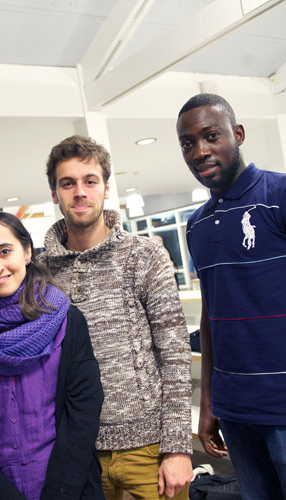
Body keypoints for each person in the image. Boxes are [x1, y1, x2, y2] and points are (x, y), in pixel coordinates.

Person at [39, 135, 193, 500]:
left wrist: (178, 447)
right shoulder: (40, 271)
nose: (80, 192)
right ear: (54, 194)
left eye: (90, 181)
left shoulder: (144, 256)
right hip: (76, 450)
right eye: (68, 183)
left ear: (106, 189)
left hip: (149, 448)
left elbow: (174, 354)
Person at [0, 210, 104, 500]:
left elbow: (83, 413)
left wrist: (59, 494)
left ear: (27, 251)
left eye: (5, 251)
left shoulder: (68, 321)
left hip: (69, 490)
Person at [177, 93, 286, 499]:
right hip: (237, 412)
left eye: (211, 136)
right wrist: (209, 403)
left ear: (237, 135)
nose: (200, 150)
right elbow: (211, 317)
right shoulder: (197, 226)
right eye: (188, 143)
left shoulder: (279, 194)